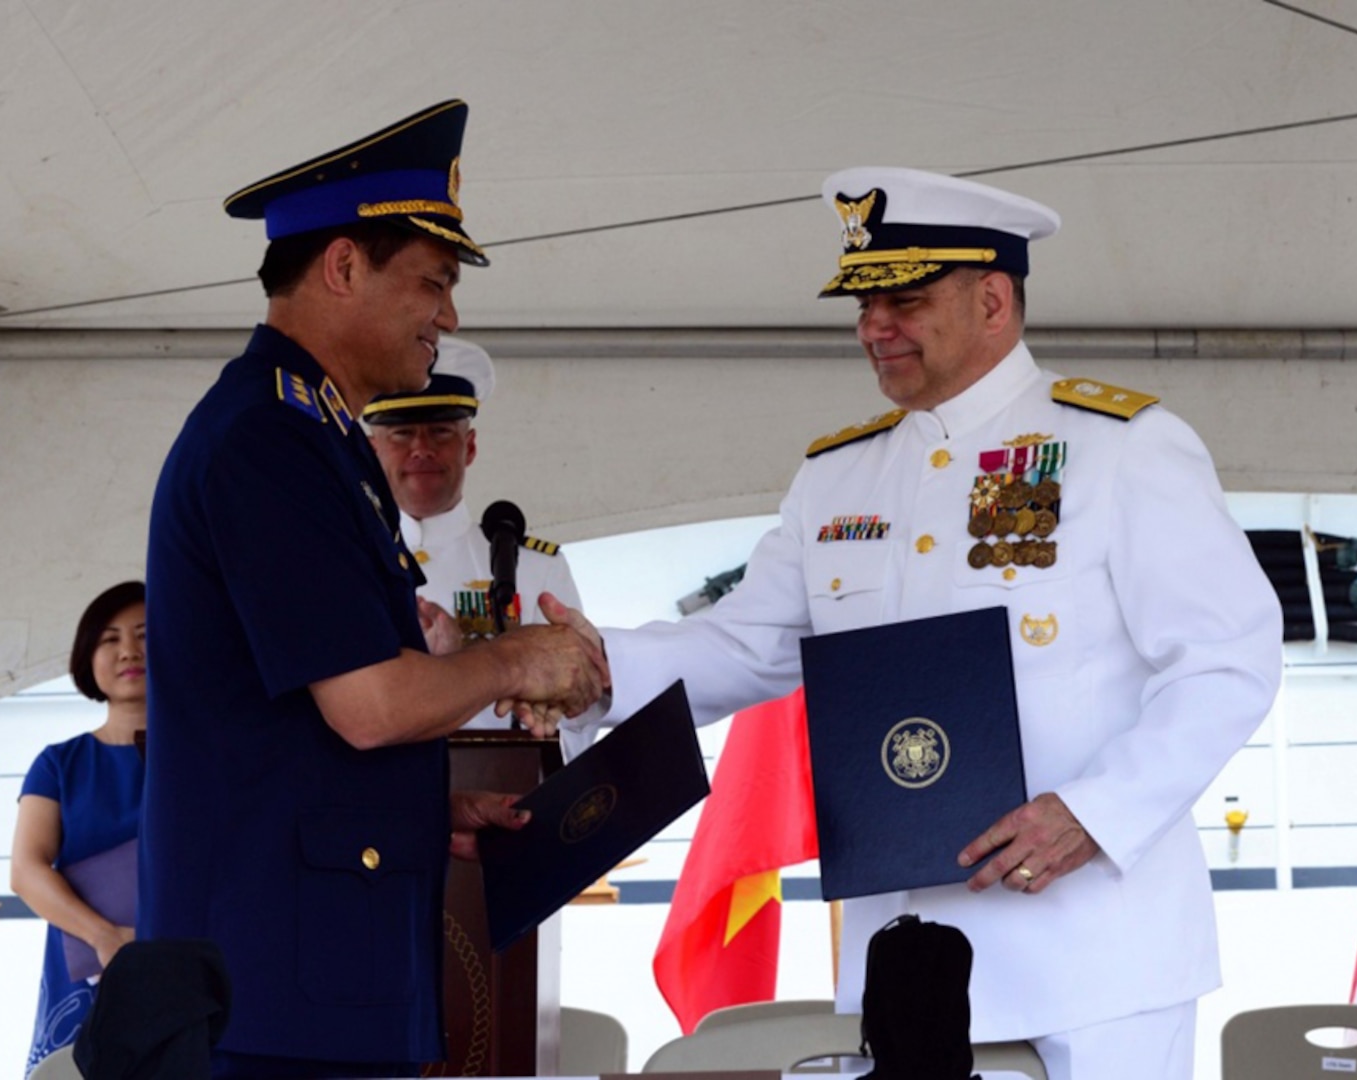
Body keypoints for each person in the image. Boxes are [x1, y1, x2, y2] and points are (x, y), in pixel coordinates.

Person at [541, 167, 1283, 1080]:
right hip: (902, 953)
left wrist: (1092, 814)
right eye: (862, 302)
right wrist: (582, 665)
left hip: (1094, 957)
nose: (872, 327)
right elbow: (749, 644)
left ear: (993, 300)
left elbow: (1227, 662)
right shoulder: (839, 477)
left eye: (905, 298)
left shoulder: (1120, 446)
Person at [139, 99, 607, 1079]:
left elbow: (298, 729)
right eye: (432, 281)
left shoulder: (319, 437)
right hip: (273, 994)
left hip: (307, 976)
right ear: (343, 267)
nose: (450, 313)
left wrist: (420, 803)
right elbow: (372, 706)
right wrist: (523, 654)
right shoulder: (267, 442)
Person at [364, 336, 599, 759]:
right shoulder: (344, 561)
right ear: (370, 450)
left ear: (469, 447)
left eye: (440, 432)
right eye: (401, 434)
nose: (422, 449)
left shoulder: (531, 567)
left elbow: (574, 710)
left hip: (500, 798)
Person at [11, 581, 148, 1076]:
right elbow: (26, 870)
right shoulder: (58, 764)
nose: (129, 650)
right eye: (109, 639)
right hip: (88, 968)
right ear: (88, 658)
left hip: (186, 959)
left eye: (145, 634)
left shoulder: (204, 760)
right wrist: (106, 936)